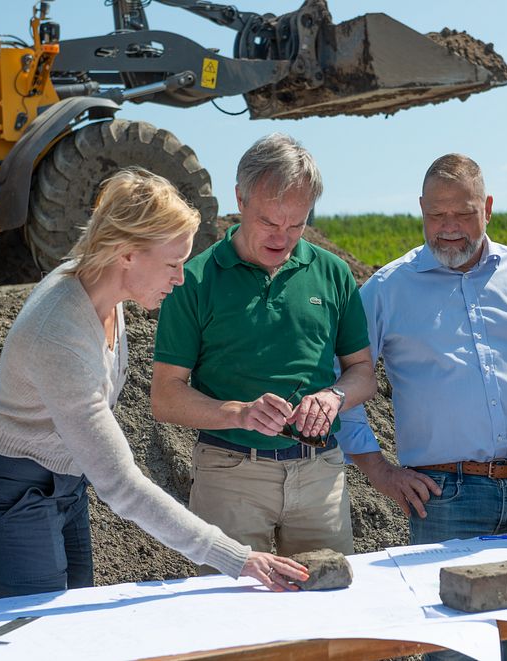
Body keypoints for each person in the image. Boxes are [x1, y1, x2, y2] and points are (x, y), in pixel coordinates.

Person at [0, 169, 308, 599]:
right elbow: (122, 487)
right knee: (36, 633)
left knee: (72, 613)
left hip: (66, 482)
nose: (180, 278)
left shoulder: (104, 294)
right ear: (127, 253)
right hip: (15, 493)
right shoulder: (59, 333)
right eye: (173, 264)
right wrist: (238, 558)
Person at [337, 153, 507, 661]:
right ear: (420, 210)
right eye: (437, 215)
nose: (449, 228)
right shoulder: (386, 290)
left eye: (462, 213)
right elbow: (347, 381)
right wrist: (377, 470)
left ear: (488, 207)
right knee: (456, 651)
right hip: (445, 501)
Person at [151, 133, 376, 560]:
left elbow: (363, 372)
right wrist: (239, 413)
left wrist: (334, 396)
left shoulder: (333, 273)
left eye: (296, 224)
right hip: (228, 475)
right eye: (270, 222)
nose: (282, 238)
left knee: (329, 610)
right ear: (240, 198)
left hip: (320, 474)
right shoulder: (193, 280)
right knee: (230, 616)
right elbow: (165, 397)